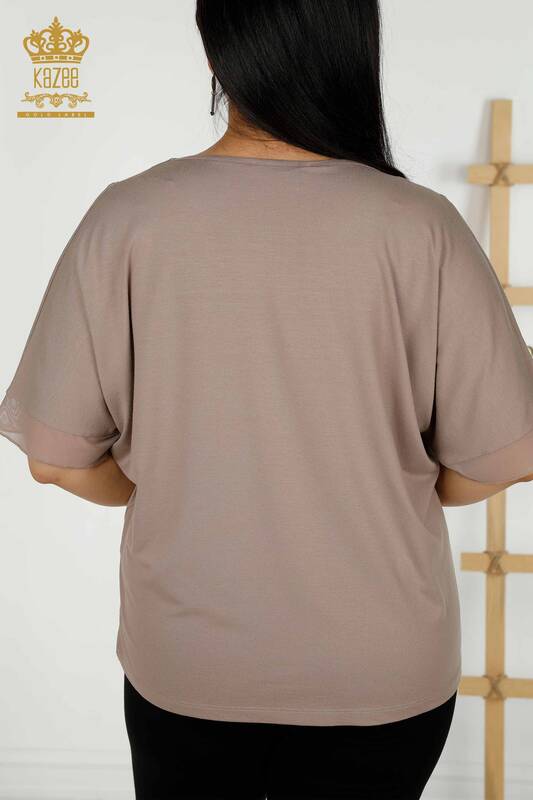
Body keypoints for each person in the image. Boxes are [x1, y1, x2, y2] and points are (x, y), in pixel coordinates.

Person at [2, 1, 533, 798]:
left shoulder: (130, 216)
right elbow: (505, 455)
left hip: (190, 665)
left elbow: (54, 460)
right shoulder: (420, 226)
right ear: (355, 51)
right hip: (380, 670)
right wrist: (401, 486)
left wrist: (157, 488)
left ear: (216, 57)